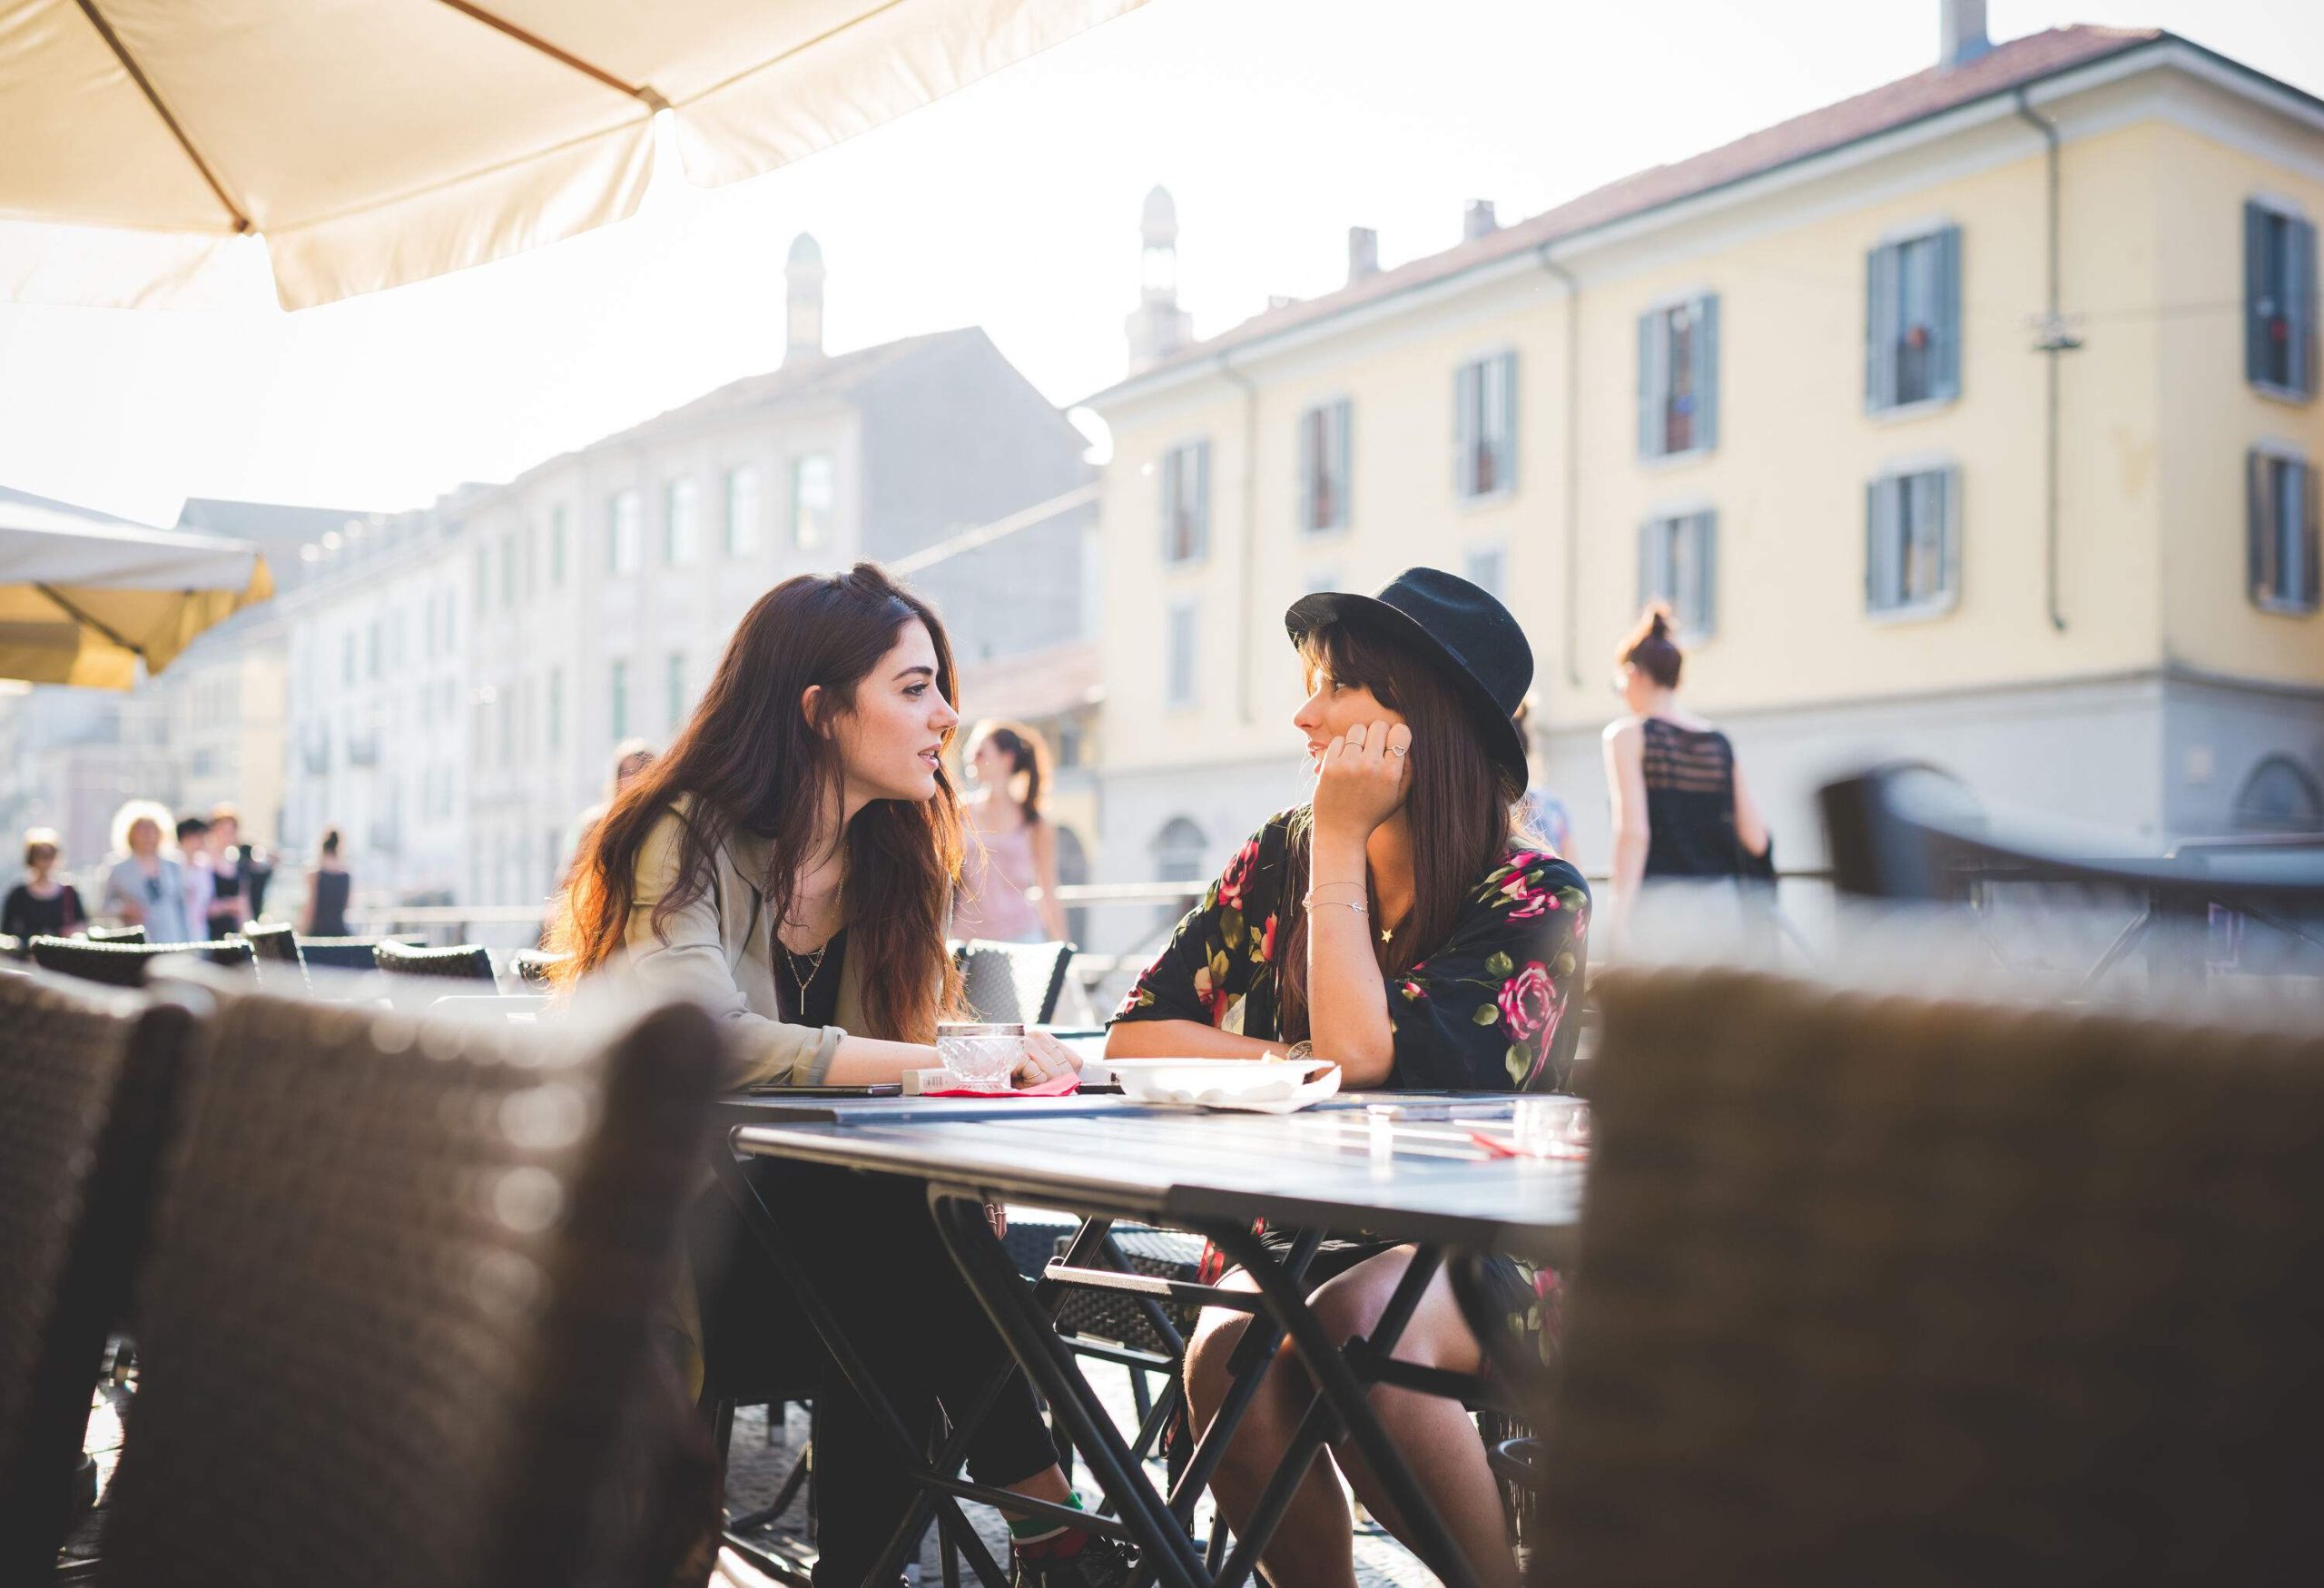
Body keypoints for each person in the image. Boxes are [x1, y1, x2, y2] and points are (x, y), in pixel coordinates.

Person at [549, 564, 1127, 1588]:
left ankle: (945, 1557)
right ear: (818, 711)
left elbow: (884, 1089)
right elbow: (704, 1034)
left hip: (827, 1267)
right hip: (664, 1273)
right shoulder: (679, 832)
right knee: (902, 1233)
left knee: (905, 1230)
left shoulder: (889, 863)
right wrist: (957, 1063)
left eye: (940, 686)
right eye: (913, 688)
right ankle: (1052, 1526)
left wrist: (966, 1108)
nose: (948, 715)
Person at [1108, 567, 1590, 1588]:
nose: (1304, 712)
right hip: (1301, 1225)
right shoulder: (1278, 855)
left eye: (1334, 687)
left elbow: (1368, 1059)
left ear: (1421, 722)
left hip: (1489, 1244)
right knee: (1224, 1362)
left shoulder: (1534, 896)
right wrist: (1294, 1062)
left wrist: (1335, 844)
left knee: (1358, 1329)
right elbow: (1143, 1032)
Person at [1600, 604, 1771, 944]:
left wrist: (1617, 917)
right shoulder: (1717, 741)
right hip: (1724, 910)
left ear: (1634, 674)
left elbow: (1633, 832)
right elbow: (1756, 839)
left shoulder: (1627, 736)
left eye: (1621, 682)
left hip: (1662, 909)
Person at [953, 719, 1068, 943]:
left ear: (1006, 760)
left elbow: (1047, 889)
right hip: (967, 939)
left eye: (980, 753)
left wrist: (1064, 953)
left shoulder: (1035, 823)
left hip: (1022, 937)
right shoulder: (958, 813)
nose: (970, 759)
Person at [100, 801, 194, 943]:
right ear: (130, 834)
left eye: (152, 830)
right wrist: (124, 910)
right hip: (136, 938)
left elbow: (182, 907)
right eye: (142, 830)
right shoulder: (118, 868)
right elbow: (104, 907)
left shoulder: (173, 865)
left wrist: (187, 940)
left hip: (171, 937)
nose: (148, 835)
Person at [4, 827, 86, 946]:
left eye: (50, 855)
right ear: (31, 858)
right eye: (41, 855)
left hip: (60, 957)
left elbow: (82, 923)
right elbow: (8, 931)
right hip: (27, 958)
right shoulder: (18, 894)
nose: (46, 861)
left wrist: (72, 932)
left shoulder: (69, 891)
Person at [300, 825, 353, 936]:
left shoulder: (314, 874)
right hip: (339, 931)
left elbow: (310, 906)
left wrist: (302, 930)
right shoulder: (346, 875)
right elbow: (347, 905)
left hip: (318, 932)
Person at [175, 814, 216, 939]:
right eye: (200, 836)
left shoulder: (204, 867)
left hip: (200, 934)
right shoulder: (171, 866)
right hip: (176, 933)